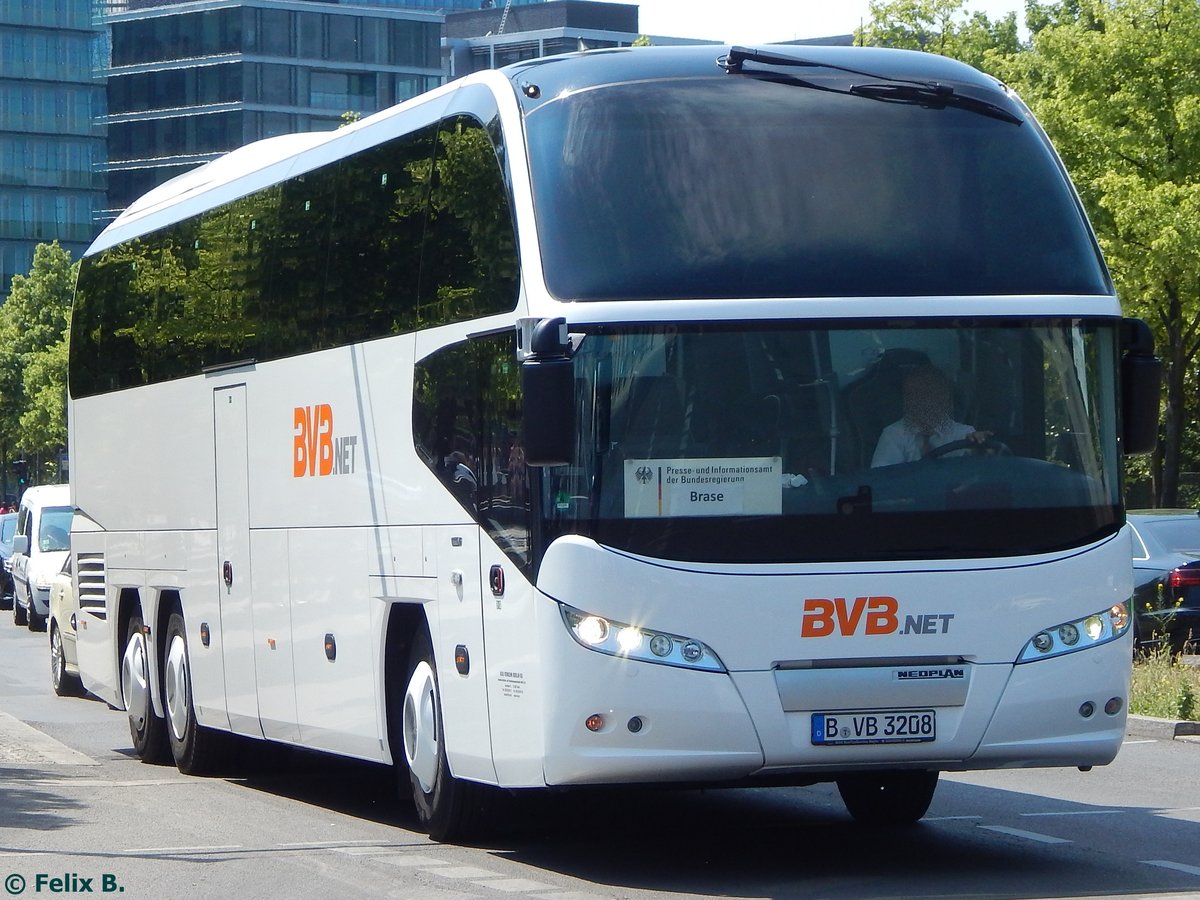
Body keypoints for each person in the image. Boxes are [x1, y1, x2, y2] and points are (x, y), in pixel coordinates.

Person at [871, 365, 990, 467]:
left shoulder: (964, 434)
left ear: (946, 397)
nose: (924, 400)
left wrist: (980, 448)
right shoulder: (893, 435)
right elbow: (881, 481)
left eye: (931, 393)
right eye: (916, 394)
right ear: (907, 399)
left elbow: (975, 476)